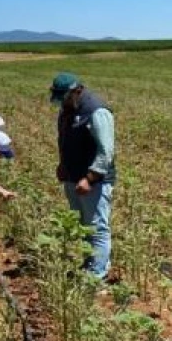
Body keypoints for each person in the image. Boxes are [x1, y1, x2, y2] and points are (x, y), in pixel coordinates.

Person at [51, 72, 116, 280]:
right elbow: (64, 138)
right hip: (72, 177)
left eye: (65, 98)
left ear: (77, 90)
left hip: (93, 182)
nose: (62, 103)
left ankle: (98, 274)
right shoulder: (67, 110)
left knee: (97, 227)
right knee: (82, 226)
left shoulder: (97, 111)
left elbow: (106, 151)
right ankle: (90, 263)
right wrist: (62, 164)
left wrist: (90, 178)